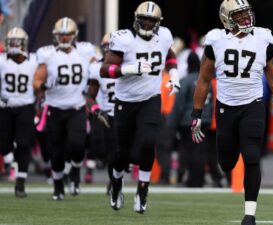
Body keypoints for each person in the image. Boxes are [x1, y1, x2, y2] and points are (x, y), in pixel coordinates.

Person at [190, 1, 273, 224]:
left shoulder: (263, 39)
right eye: (240, 15)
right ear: (227, 18)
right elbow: (204, 80)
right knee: (226, 163)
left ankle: (250, 214)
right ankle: (230, 155)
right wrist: (196, 113)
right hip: (225, 106)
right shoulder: (216, 40)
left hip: (252, 105)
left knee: (252, 156)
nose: (246, 18)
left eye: (247, 13)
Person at [100, 1, 180, 212]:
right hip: (125, 100)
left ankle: (142, 189)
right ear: (136, 19)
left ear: (158, 23)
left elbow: (169, 57)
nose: (146, 23)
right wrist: (128, 69)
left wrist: (173, 75)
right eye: (143, 19)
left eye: (151, 20)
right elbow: (104, 69)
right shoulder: (124, 39)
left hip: (150, 98)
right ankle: (117, 182)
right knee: (122, 152)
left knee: (147, 142)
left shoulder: (164, 36)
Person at [33, 17, 96, 200]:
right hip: (54, 108)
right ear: (55, 36)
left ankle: (75, 171)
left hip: (76, 107)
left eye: (67, 35)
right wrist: (45, 86)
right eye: (61, 35)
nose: (64, 38)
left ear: (74, 35)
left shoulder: (85, 52)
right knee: (57, 152)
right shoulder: (48, 54)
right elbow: (36, 82)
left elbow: (96, 69)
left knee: (77, 146)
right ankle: (58, 185)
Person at [0, 27, 37, 197]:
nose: (14, 45)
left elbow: (40, 82)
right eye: (11, 42)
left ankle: (20, 182)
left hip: (26, 107)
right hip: (5, 108)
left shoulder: (34, 61)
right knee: (4, 145)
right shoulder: (1, 61)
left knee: (24, 144)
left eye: (17, 42)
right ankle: (10, 158)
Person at [168, 51, 213, 187]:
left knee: (191, 151)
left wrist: (172, 123)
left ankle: (193, 180)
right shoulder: (206, 81)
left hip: (189, 121)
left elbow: (179, 105)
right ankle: (199, 179)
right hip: (204, 120)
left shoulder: (185, 81)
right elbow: (211, 104)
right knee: (201, 151)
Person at [87, 32, 116, 193]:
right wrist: (96, 111)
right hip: (106, 114)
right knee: (107, 151)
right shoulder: (96, 67)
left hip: (126, 113)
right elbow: (90, 96)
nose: (109, 50)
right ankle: (114, 179)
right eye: (107, 46)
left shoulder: (127, 65)